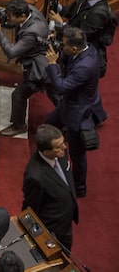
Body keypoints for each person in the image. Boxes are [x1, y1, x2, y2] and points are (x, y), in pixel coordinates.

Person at [44, 26, 100, 198]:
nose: (62, 46)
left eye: (64, 45)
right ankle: (48, 155)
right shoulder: (87, 48)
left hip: (78, 112)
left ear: (74, 48)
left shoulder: (84, 67)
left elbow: (61, 87)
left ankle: (79, 187)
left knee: (77, 153)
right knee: (48, 126)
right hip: (68, 104)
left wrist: (53, 64)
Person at [0, 0, 49, 137]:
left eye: (10, 16)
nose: (8, 17)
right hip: (42, 61)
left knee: (19, 95)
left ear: (22, 15)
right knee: (59, 95)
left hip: (38, 67)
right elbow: (17, 24)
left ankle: (19, 126)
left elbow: (11, 52)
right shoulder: (29, 9)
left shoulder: (32, 32)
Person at [22, 124, 78, 250]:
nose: (64, 147)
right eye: (59, 147)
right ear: (46, 152)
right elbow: (31, 208)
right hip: (52, 229)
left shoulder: (61, 152)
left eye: (63, 142)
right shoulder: (35, 176)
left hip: (66, 222)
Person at [50, 0, 114, 79]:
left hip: (84, 52)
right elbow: (71, 11)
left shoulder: (99, 13)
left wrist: (61, 23)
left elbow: (81, 35)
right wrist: (58, 8)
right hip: (71, 45)